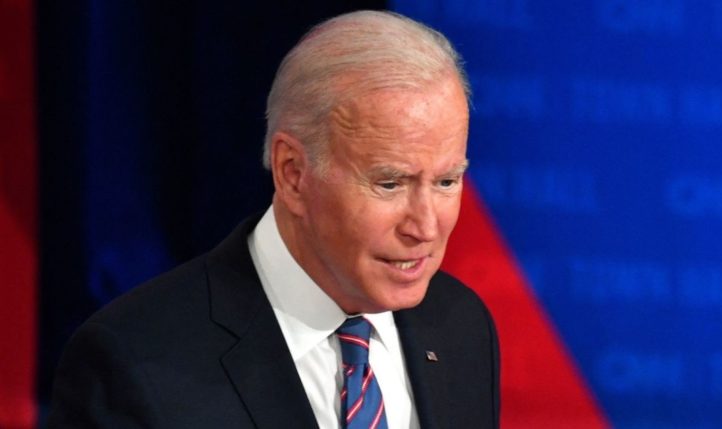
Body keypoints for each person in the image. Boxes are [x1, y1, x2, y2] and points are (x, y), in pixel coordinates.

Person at [47, 10, 499, 429]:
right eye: (390, 184)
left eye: (445, 182)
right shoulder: (132, 364)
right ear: (293, 173)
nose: (424, 227)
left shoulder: (460, 324)